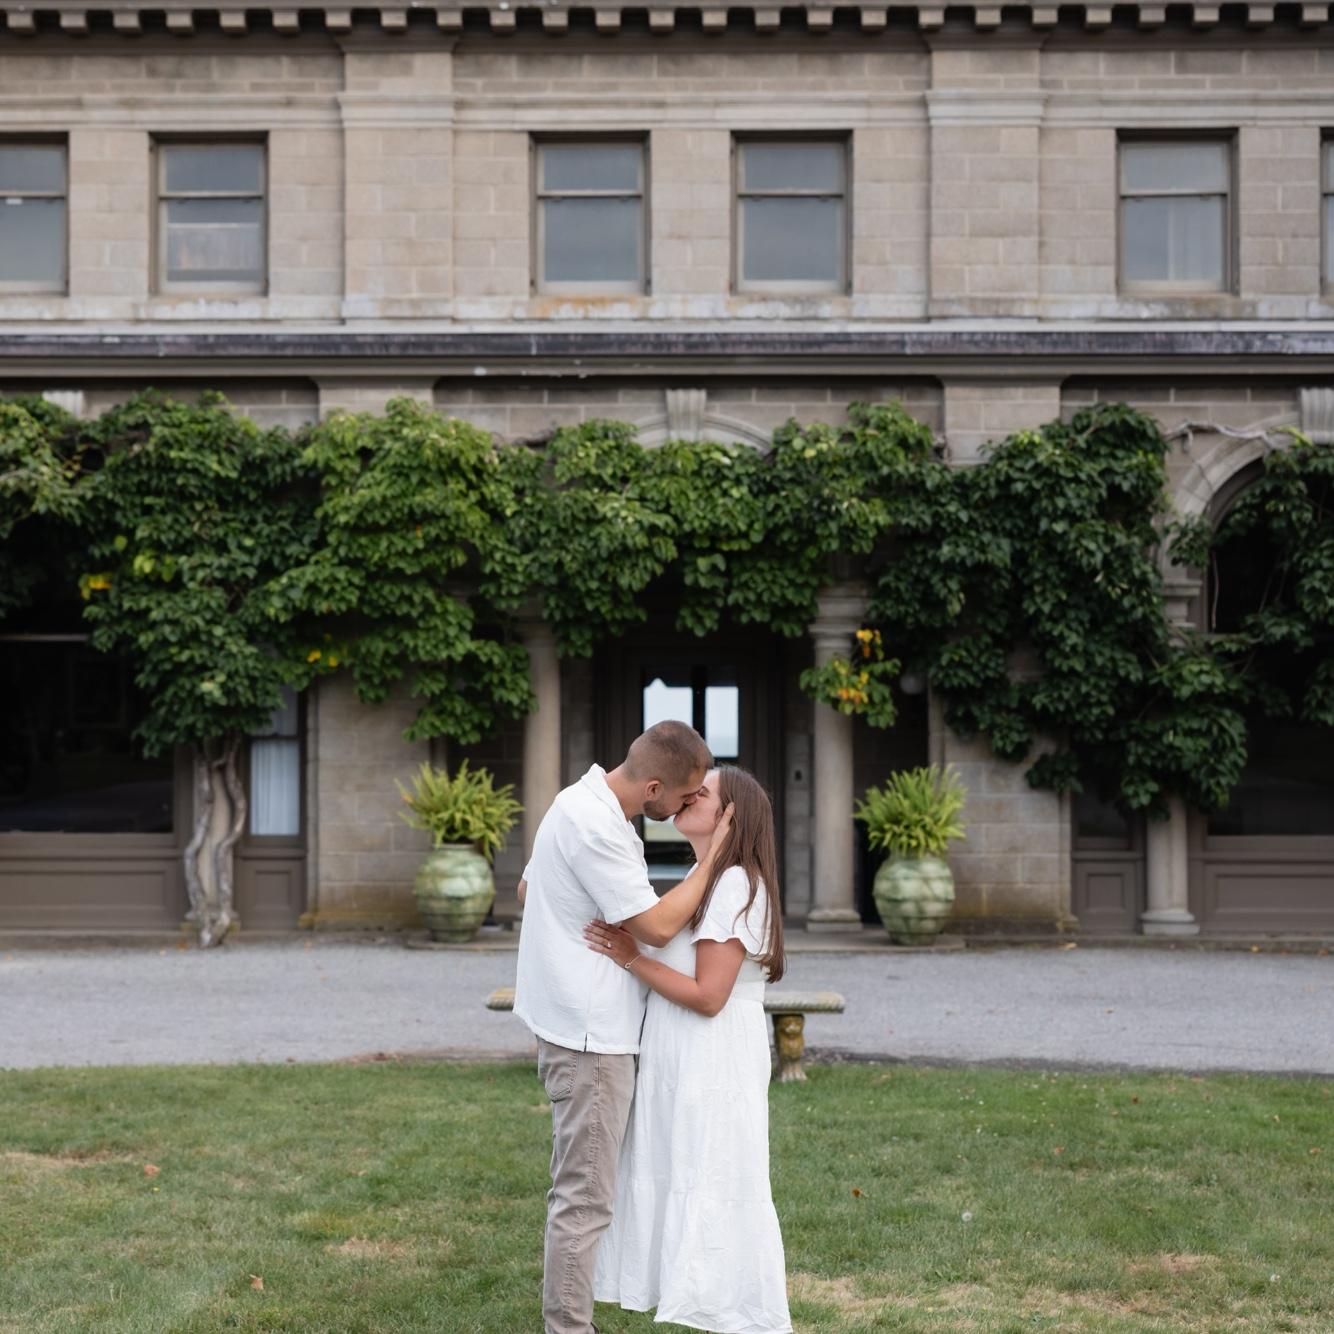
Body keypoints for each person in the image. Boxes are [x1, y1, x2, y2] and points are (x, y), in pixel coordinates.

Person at [514, 720, 735, 1334]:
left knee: (582, 1188)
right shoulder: (596, 824)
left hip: (576, 1026)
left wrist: (579, 918)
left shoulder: (578, 802)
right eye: (686, 797)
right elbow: (657, 928)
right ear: (654, 787)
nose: (689, 806)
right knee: (585, 1197)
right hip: (589, 1038)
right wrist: (716, 857)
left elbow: (529, 888)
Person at [584, 765, 792, 1334]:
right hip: (681, 1051)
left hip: (711, 1054)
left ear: (730, 817)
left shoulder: (734, 885)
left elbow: (708, 996)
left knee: (710, 1171)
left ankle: (722, 1304)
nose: (687, 797)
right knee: (681, 1166)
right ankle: (686, 1293)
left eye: (703, 794)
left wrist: (630, 957)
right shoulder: (707, 878)